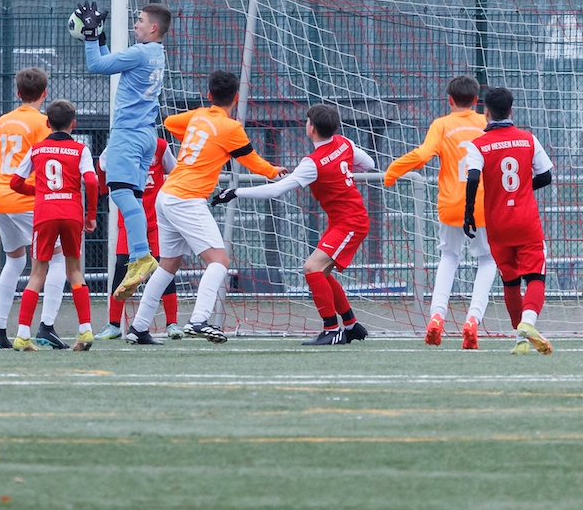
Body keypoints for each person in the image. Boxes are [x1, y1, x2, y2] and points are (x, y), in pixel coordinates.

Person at [125, 71, 286, 345]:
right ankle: (198, 320)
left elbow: (169, 122)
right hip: (186, 199)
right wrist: (273, 171)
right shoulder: (231, 128)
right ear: (236, 98)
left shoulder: (199, 115)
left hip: (167, 195)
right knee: (220, 261)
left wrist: (194, 131)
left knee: (168, 265)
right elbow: (251, 160)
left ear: (209, 95)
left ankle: (138, 327)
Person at [212, 105, 373, 346]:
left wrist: (235, 192)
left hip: (350, 222)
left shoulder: (313, 163)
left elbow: (275, 190)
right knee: (321, 271)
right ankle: (351, 326)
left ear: (311, 128)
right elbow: (368, 163)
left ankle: (331, 330)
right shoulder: (344, 143)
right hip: (345, 220)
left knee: (311, 268)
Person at [385, 75, 495, 347]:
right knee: (487, 261)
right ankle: (473, 320)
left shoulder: (441, 125)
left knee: (449, 257)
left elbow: (423, 155)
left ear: (449, 100)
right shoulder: (486, 123)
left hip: (452, 204)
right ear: (476, 100)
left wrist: (393, 170)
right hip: (484, 204)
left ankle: (436, 317)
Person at [75, 1, 171, 299]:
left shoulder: (140, 52)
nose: (135, 24)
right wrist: (100, 37)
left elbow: (96, 65)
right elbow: (110, 62)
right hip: (146, 135)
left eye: (140, 20)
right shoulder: (156, 53)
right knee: (134, 197)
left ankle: (141, 255)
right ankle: (139, 256)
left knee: (119, 194)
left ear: (153, 27)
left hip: (127, 135)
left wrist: (90, 35)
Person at [462, 87, 554, 354]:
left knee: (510, 281)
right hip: (526, 220)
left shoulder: (478, 145)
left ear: (486, 112)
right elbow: (546, 176)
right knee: (535, 276)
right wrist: (523, 188)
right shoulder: (528, 139)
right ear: (511, 110)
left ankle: (521, 340)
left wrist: (469, 213)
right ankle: (527, 324)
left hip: (498, 223)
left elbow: (473, 178)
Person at [0, 67, 67, 349]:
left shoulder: (4, 121)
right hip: (28, 199)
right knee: (59, 259)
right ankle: (47, 326)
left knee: (15, 261)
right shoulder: (43, 123)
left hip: (1, 198)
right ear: (45, 93)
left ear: (18, 93)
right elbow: (50, 161)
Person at [7, 99, 98, 351]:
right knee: (74, 271)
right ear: (73, 124)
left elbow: (15, 183)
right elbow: (91, 182)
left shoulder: (36, 150)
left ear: (47, 124)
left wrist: (39, 191)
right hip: (72, 213)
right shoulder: (80, 150)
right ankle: (86, 329)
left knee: (37, 273)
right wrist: (91, 214)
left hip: (45, 213)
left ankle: (23, 334)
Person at [94, 138, 180, 340]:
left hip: (156, 220)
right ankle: (114, 324)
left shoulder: (160, 146)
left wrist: (169, 195)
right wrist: (104, 193)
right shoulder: (118, 144)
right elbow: (101, 165)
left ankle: (172, 323)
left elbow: (176, 171)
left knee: (164, 266)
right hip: (129, 220)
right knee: (122, 265)